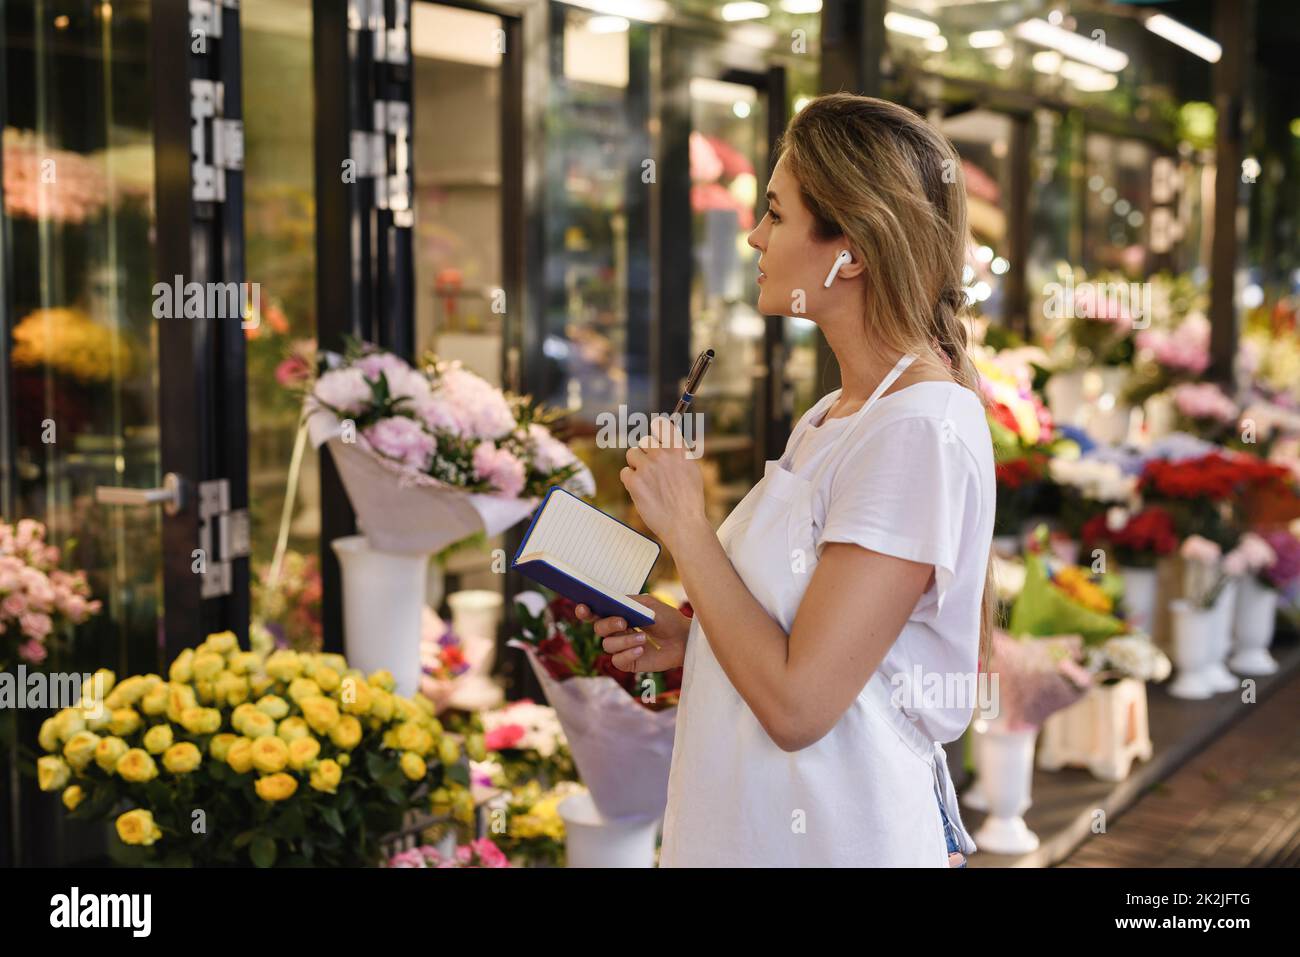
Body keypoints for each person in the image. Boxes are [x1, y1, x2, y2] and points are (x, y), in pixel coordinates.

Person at [576, 93, 995, 867]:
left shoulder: (915, 431)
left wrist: (688, 529)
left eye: (775, 213)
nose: (753, 235)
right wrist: (693, 637)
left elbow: (801, 704)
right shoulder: (837, 416)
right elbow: (817, 640)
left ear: (853, 251)